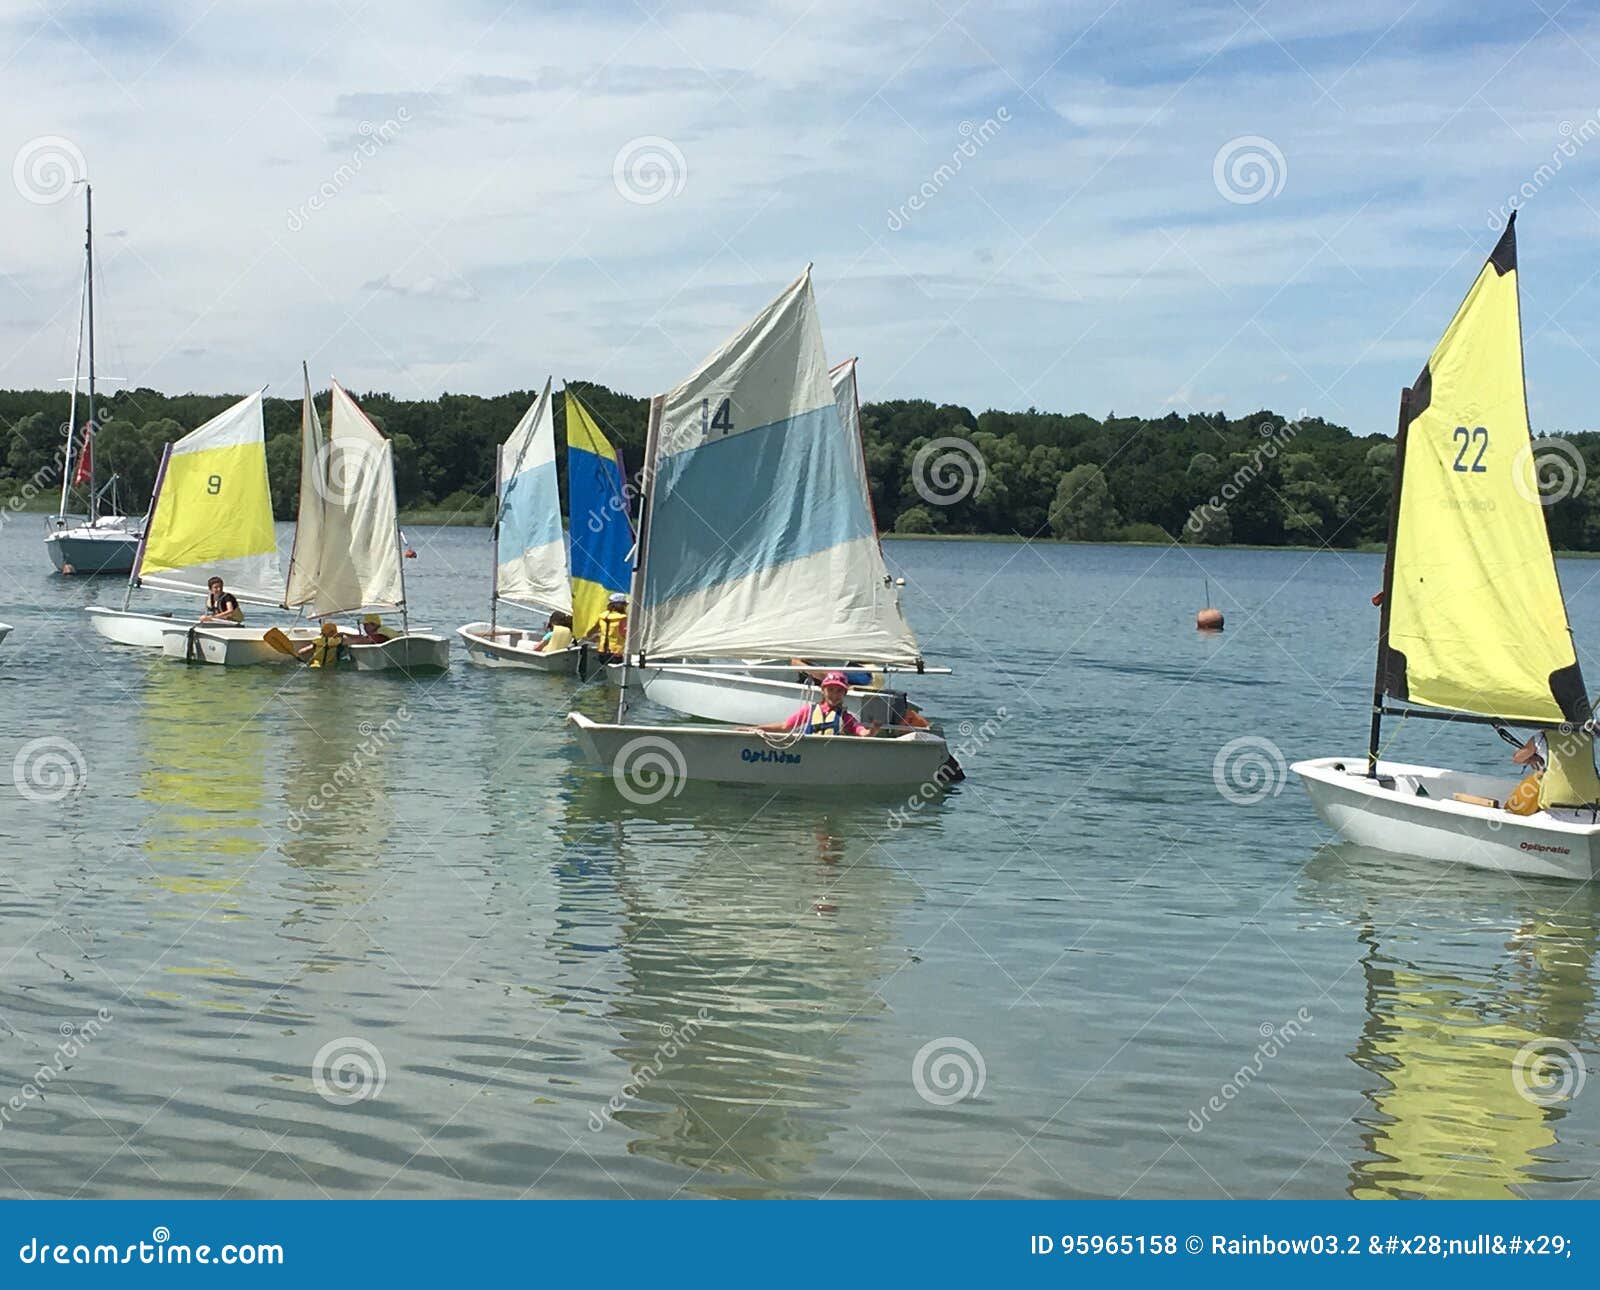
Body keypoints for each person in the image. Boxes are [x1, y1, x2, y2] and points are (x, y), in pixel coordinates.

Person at [753, 671, 881, 737]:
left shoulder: (846, 717)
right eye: (830, 690)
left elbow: (862, 732)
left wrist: (872, 731)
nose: (834, 695)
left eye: (839, 691)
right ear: (823, 691)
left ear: (844, 693)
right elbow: (785, 726)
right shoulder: (810, 710)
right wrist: (756, 729)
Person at [592, 593, 628, 663]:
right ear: (618, 605)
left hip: (602, 652)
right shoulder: (622, 618)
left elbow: (592, 630)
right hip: (617, 652)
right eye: (624, 604)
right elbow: (626, 634)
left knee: (607, 669)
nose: (625, 606)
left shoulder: (602, 616)